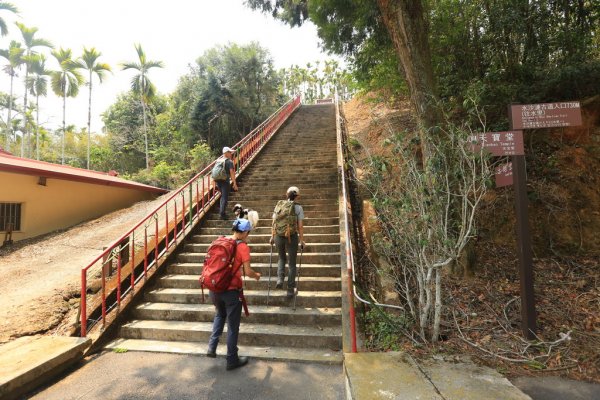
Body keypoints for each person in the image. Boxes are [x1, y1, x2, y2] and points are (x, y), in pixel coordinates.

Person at [206, 217, 261, 370]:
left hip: (215, 288)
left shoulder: (221, 241)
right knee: (232, 326)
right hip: (231, 292)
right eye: (248, 232)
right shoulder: (242, 247)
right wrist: (256, 275)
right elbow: (248, 271)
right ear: (245, 233)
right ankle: (232, 360)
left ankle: (212, 347)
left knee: (219, 314)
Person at [269, 186, 305, 298]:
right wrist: (302, 240)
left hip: (278, 236)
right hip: (291, 236)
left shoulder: (279, 205)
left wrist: (272, 236)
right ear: (298, 196)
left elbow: (274, 221)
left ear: (286, 194)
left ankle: (280, 279)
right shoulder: (298, 208)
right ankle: (290, 290)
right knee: (292, 263)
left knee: (281, 258)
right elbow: (300, 226)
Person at [215, 147, 239, 220]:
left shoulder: (218, 160)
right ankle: (222, 214)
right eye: (230, 152)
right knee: (224, 197)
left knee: (223, 196)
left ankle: (222, 212)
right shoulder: (229, 161)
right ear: (226, 153)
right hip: (225, 181)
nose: (231, 154)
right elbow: (232, 172)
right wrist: (234, 183)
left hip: (218, 181)